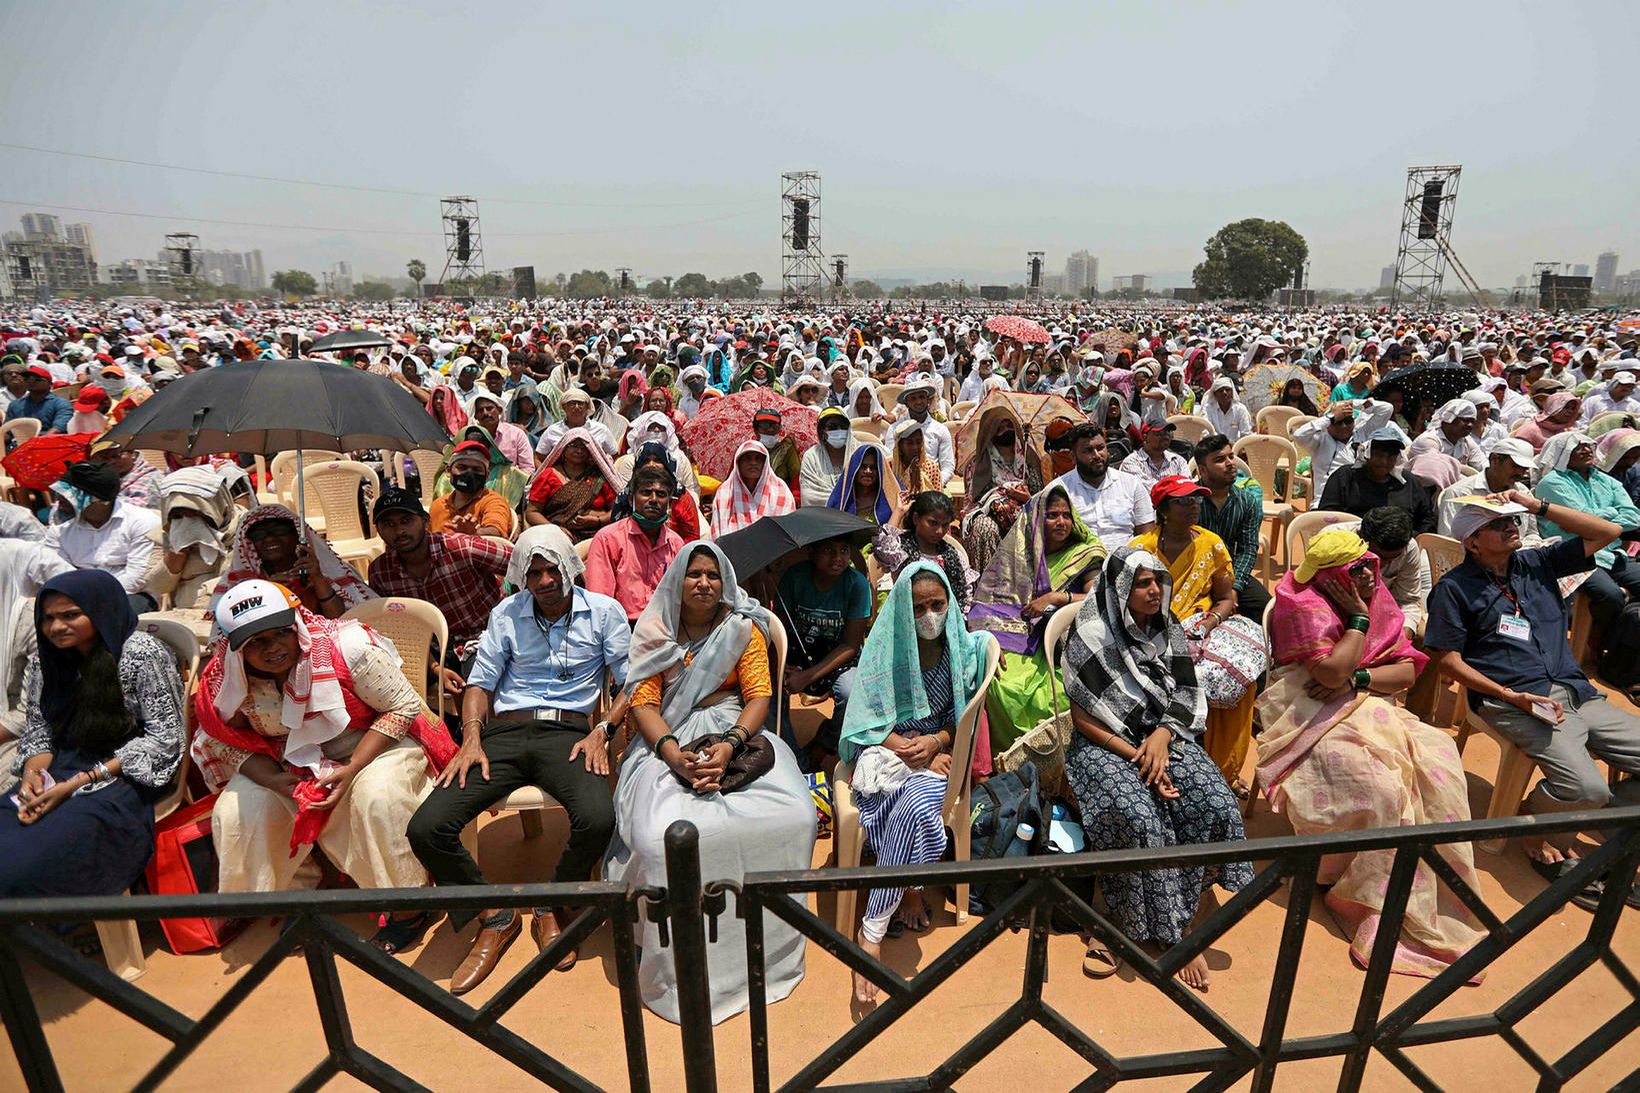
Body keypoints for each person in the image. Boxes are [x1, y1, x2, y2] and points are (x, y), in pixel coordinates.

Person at [406, 527, 630, 992]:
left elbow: (631, 684)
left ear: (570, 567)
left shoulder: (605, 613)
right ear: (521, 578)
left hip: (570, 733)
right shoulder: (506, 613)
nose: (545, 581)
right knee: (426, 827)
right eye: (534, 574)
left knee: (598, 817)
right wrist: (471, 738)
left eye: (553, 570)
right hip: (503, 733)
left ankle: (552, 902)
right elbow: (480, 684)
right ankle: (495, 913)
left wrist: (602, 730)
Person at [1258, 527, 1483, 977]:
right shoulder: (1300, 603)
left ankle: (1419, 894)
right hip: (1304, 711)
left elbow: (1403, 674)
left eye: (1368, 567)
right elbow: (1328, 671)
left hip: (1369, 704)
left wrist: (1357, 680)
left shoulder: (1379, 596)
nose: (1366, 576)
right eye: (1354, 570)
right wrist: (1357, 619)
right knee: (1378, 786)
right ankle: (1348, 886)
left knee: (1438, 765)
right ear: (1332, 576)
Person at [608, 543, 815, 1023]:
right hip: (666, 737)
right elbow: (643, 706)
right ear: (677, 581)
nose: (703, 583)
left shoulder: (741, 628)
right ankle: (679, 966)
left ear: (725, 581)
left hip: (736, 732)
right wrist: (676, 758)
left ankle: (766, 954)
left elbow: (759, 697)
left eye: (713, 575)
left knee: (797, 816)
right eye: (693, 574)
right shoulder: (655, 631)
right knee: (658, 840)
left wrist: (729, 744)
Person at [193, 580, 458, 948]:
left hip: (376, 743)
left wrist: (350, 770)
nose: (272, 649)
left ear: (295, 626)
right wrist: (274, 780)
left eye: (279, 634)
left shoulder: (347, 647)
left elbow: (403, 707)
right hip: (285, 762)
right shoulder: (225, 681)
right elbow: (219, 740)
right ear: (237, 648)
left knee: (376, 798)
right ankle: (300, 898)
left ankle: (408, 907)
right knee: (239, 812)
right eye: (256, 642)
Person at [1426, 495, 1640, 907]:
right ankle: (1534, 827)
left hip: (1577, 692)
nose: (1513, 526)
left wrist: (1537, 505)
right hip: (1515, 699)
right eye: (1499, 524)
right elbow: (1448, 663)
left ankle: (1607, 819)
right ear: (1472, 542)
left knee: (1593, 793)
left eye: (1514, 520)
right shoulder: (1454, 589)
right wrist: (1510, 696)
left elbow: (1609, 532)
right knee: (1585, 788)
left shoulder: (1538, 563)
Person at [1060, 547, 1252, 990]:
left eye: (1157, 582)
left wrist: (1162, 738)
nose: (1153, 590)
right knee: (1138, 816)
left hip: (1164, 735)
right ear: (1121, 587)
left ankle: (1186, 899)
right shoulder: (1090, 632)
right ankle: (1143, 926)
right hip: (1104, 744)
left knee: (1215, 801)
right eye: (1143, 582)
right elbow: (1083, 719)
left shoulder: (1167, 627)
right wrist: (1140, 756)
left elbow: (1186, 690)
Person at [840, 564, 993, 1004]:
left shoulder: (958, 650)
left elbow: (960, 716)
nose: (930, 615)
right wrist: (900, 744)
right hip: (887, 750)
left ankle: (871, 930)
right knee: (900, 800)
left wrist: (936, 742)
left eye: (937, 605)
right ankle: (908, 887)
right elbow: (864, 717)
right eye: (919, 606)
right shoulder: (884, 649)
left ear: (949, 604)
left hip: (937, 756)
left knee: (916, 805)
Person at [1, 570, 185, 898]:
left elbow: (164, 738)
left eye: (70, 615)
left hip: (124, 774)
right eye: (48, 618)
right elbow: (41, 728)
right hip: (62, 765)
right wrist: (33, 776)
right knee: (12, 823)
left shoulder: (141, 654)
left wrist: (76, 784)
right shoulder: (49, 659)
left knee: (25, 863)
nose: (56, 627)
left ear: (100, 610)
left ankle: (51, 935)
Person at [1129, 475, 1257, 789]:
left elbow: (1227, 598)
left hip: (1200, 630)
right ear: (1163, 510)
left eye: (1196, 499)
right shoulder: (1139, 550)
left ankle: (1222, 769)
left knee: (1237, 678)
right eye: (1183, 501)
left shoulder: (1211, 544)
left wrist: (1210, 622)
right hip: (1151, 632)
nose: (1193, 506)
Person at [966, 485, 1105, 752]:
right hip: (1019, 637)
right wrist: (988, 641)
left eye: (1066, 515)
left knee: (1053, 697)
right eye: (1052, 515)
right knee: (995, 682)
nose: (1061, 522)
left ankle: (1054, 759)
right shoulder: (1019, 553)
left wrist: (1056, 598)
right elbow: (992, 602)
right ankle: (1009, 762)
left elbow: (1098, 597)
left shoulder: (1084, 554)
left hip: (1066, 643)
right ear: (1036, 518)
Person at [367, 487, 513, 703]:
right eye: (389, 524)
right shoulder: (381, 571)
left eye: (406, 521)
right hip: (429, 649)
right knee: (378, 684)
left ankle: (477, 732)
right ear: (378, 530)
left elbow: (524, 564)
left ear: (425, 521)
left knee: (478, 684)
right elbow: (398, 629)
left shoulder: (461, 546)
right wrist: (435, 667)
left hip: (481, 638)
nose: (399, 531)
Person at [1533, 431, 1640, 646]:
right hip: (1576, 554)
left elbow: (1634, 516)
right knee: (1610, 596)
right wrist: (1608, 513)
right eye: (1577, 446)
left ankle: (1622, 647)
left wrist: (1593, 519)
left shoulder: (1605, 480)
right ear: (1562, 454)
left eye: (1588, 445)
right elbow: (1583, 521)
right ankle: (1600, 644)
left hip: (1611, 552)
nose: (1586, 449)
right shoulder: (1552, 483)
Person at [212, 505, 375, 620]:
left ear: (297, 535)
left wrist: (318, 579)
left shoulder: (325, 570)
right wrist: (266, 590)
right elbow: (235, 626)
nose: (269, 538)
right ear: (250, 544)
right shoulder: (239, 582)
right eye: (260, 534)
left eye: (279, 531)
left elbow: (340, 618)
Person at [44, 461, 162, 611]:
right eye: (59, 494)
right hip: (76, 596)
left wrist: (96, 599)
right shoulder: (59, 531)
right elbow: (59, 573)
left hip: (129, 595)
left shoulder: (142, 522)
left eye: (69, 496)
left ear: (102, 501)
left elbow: (137, 578)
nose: (59, 501)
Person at [585, 462, 685, 623]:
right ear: (631, 498)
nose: (653, 499)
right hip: (621, 628)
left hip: (666, 628)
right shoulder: (607, 539)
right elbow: (599, 602)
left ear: (669, 502)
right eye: (646, 493)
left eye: (661, 494)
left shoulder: (676, 543)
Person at [959, 404, 1045, 574]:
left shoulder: (1028, 458)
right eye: (999, 428)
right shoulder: (978, 463)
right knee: (984, 528)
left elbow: (1039, 495)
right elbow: (973, 501)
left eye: (1009, 426)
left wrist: (1026, 497)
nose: (1006, 431)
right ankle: (986, 587)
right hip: (988, 512)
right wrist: (999, 495)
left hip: (1026, 507)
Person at [1194, 435, 1268, 622]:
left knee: (1269, 611)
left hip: (1230, 573)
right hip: (1193, 575)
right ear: (1202, 470)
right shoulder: (1189, 500)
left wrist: (1234, 588)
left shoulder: (1247, 501)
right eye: (1219, 459)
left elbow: (1248, 549)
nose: (1230, 463)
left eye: (1231, 456)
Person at [1051, 424, 1157, 547]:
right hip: (1080, 562)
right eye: (1088, 450)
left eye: (1100, 448)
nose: (1097, 455)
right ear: (1073, 457)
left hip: (1127, 560)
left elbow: (1147, 533)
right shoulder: (1059, 489)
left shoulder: (1132, 484)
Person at [1318, 427, 1436, 535]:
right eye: (1379, 455)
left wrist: (1409, 538)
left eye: (1390, 457)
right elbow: (1327, 515)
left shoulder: (1409, 482)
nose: (1384, 462)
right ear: (1367, 454)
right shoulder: (1345, 477)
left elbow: (1427, 519)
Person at [874, 490, 977, 612]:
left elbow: (964, 595)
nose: (939, 531)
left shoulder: (953, 555)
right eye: (933, 523)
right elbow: (883, 547)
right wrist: (899, 511)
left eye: (945, 525)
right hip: (907, 615)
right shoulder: (901, 549)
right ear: (916, 518)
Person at [525, 429, 623, 540]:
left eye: (583, 447)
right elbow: (532, 512)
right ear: (563, 449)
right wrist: (555, 530)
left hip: (599, 536)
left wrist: (598, 521)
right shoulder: (548, 475)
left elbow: (618, 510)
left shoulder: (599, 476)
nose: (579, 450)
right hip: (557, 537)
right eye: (574, 445)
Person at [1293, 398, 1393, 499]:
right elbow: (1298, 435)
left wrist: (1354, 404)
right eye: (1338, 422)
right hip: (1327, 502)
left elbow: (1387, 409)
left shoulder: (1362, 433)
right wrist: (1331, 417)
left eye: (1348, 421)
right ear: (1328, 425)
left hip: (1360, 501)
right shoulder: (1319, 441)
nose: (1344, 426)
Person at [1358, 506, 1430, 639]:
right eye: (1378, 557)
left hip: (1387, 611)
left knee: (1423, 636)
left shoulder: (1409, 548)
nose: (1383, 565)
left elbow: (1408, 600)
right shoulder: (1336, 543)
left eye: (1393, 559)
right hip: (1342, 610)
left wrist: (1402, 638)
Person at [430, 440, 514, 538]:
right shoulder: (438, 505)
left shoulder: (493, 501)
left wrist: (473, 533)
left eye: (476, 469)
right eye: (462, 467)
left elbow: (496, 531)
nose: (469, 474)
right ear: (448, 471)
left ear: (486, 476)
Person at [712, 439, 796, 535]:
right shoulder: (725, 492)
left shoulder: (780, 490)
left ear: (765, 463)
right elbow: (718, 532)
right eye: (747, 458)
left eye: (758, 459)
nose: (753, 463)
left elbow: (787, 529)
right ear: (738, 463)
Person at [891, 377, 955, 481]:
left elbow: (948, 467)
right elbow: (892, 462)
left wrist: (933, 485)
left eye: (922, 397)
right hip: (901, 485)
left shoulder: (941, 429)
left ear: (928, 400)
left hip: (934, 483)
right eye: (913, 398)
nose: (918, 402)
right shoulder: (895, 428)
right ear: (906, 403)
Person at [826, 442, 897, 526]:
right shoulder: (840, 499)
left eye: (873, 467)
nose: (868, 471)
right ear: (854, 469)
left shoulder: (891, 499)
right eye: (863, 466)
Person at [535, 387, 618, 459]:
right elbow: (538, 457)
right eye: (572, 403)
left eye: (581, 403)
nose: (577, 407)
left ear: (587, 407)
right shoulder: (552, 430)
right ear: (564, 407)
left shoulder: (601, 429)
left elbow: (615, 455)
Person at [469, 391, 536, 476]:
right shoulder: (472, 436)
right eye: (480, 410)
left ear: (499, 411)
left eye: (489, 408)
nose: (485, 413)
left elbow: (528, 468)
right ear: (475, 416)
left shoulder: (516, 434)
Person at [799, 407, 857, 506]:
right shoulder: (812, 457)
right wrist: (844, 499)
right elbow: (809, 495)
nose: (839, 430)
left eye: (843, 426)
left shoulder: (857, 453)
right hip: (822, 517)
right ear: (822, 431)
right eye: (832, 427)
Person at [1408, 398, 1485, 472]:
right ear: (1449, 419)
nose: (1470, 425)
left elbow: (1482, 466)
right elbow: (1435, 472)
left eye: (1472, 421)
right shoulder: (1429, 440)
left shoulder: (1467, 442)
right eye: (1466, 420)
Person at [1119, 421, 1192, 487]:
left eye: (1168, 432)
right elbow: (1146, 490)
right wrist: (1175, 486)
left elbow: (1187, 486)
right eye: (1160, 433)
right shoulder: (1131, 462)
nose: (1166, 436)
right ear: (1145, 436)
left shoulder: (1178, 461)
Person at [5, 366, 72, 434]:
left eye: (37, 379)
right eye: (27, 379)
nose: (31, 381)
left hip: (48, 442)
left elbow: (58, 428)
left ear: (50, 384)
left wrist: (35, 443)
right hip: (18, 442)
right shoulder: (15, 405)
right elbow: (7, 431)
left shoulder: (61, 404)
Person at [1512, 392, 1582, 453]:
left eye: (1573, 408)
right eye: (1566, 407)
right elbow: (1517, 454)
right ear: (1553, 407)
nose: (1570, 411)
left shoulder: (1569, 432)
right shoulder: (1529, 430)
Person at [750, 406, 802, 490]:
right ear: (756, 430)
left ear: (780, 428)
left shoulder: (787, 448)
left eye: (774, 425)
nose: (770, 429)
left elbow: (796, 477)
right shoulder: (749, 450)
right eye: (764, 425)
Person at [888, 420, 944, 497]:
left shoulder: (931, 468)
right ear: (900, 446)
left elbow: (938, 500)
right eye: (909, 443)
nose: (915, 447)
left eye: (918, 442)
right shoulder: (890, 469)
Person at [1202, 378, 1253, 443]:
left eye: (1227, 390)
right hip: (1214, 446)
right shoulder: (1208, 409)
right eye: (1220, 391)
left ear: (1232, 392)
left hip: (1234, 447)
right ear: (1215, 395)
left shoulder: (1240, 409)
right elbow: (1206, 432)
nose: (1224, 393)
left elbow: (1246, 433)